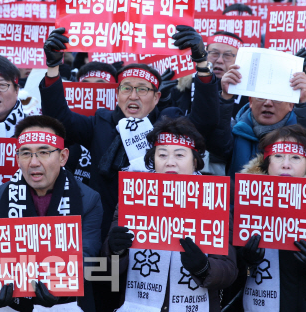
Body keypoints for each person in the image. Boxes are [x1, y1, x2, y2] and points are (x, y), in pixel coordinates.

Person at [40, 26, 220, 240]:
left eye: (142, 89)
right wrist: (53, 69)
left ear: (156, 97)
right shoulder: (100, 122)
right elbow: (58, 120)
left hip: (157, 232)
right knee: (109, 273)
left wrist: (201, 63)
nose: (133, 96)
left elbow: (205, 120)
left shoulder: (169, 123)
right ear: (117, 95)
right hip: (106, 232)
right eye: (126, 88)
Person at [103, 117, 238, 312]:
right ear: (152, 159)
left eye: (180, 155)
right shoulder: (134, 196)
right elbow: (109, 272)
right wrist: (114, 251)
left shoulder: (213, 199)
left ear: (195, 161)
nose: (170, 163)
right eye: (162, 154)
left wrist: (204, 268)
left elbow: (230, 269)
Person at [0, 115, 103, 311]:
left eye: (43, 152)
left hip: (69, 303)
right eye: (25, 153)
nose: (33, 163)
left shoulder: (88, 199)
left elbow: (87, 256)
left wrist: (59, 286)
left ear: (63, 157)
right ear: (17, 158)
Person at [234, 124, 306, 312]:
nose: (285, 164)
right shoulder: (243, 204)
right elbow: (228, 274)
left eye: (295, 157)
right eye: (278, 156)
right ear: (266, 162)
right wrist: (245, 261)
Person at [217, 60, 306, 179]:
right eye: (261, 97)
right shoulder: (236, 131)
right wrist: (225, 97)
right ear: (251, 101)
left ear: (291, 105)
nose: (268, 103)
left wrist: (305, 101)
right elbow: (216, 145)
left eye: (277, 98)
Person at [65, 62, 119, 186]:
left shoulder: (124, 126)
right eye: (86, 85)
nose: (93, 90)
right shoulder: (66, 125)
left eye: (101, 84)